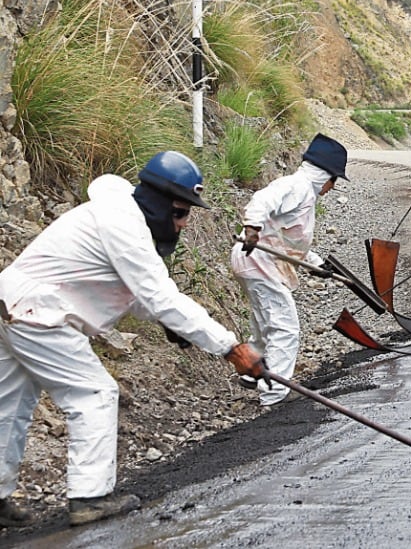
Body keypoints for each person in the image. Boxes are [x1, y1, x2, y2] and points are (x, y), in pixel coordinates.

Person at [0, 152, 265, 527]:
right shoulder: (124, 224)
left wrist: (169, 324)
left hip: (12, 304)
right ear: (159, 204)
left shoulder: (116, 216)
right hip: (38, 313)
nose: (184, 223)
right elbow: (159, 295)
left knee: (10, 405)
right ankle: (89, 498)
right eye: (180, 212)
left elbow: (134, 294)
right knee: (94, 393)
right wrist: (231, 347)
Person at [233, 134, 347, 407]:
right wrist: (252, 228)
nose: (332, 187)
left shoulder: (304, 195)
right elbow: (261, 200)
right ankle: (275, 393)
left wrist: (317, 264)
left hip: (256, 262)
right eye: (334, 180)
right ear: (324, 175)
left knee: (264, 323)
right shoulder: (296, 186)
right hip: (259, 261)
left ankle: (252, 372)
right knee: (284, 327)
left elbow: (290, 240)